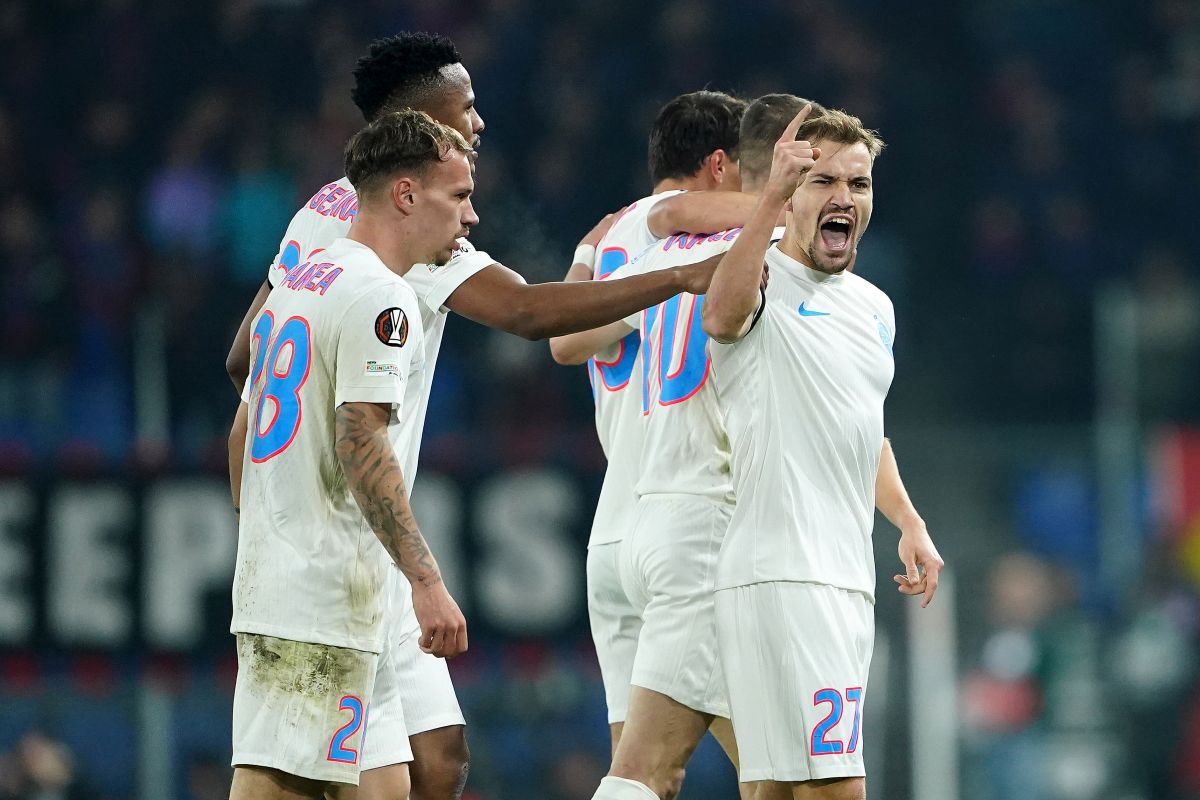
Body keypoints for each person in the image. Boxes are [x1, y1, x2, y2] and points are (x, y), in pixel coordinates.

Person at [225, 33, 736, 800]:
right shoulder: (408, 249)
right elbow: (531, 311)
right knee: (328, 775)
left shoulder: (323, 209)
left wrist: (260, 482)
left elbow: (246, 358)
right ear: (418, 123)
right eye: (465, 106)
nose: (480, 122)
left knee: (434, 759)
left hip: (351, 551)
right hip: (341, 553)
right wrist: (676, 277)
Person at [699, 107, 945, 799]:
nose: (844, 198)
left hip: (828, 575)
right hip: (790, 575)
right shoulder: (759, 276)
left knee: (774, 791)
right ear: (790, 195)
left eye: (859, 184)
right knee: (838, 788)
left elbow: (861, 428)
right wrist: (771, 198)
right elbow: (719, 317)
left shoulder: (873, 307)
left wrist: (908, 521)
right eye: (822, 181)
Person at [230, 109, 473, 800]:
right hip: (320, 602)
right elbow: (361, 439)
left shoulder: (300, 284)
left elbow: (240, 433)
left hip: (317, 593)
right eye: (457, 196)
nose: (471, 216)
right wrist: (426, 583)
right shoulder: (380, 296)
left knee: (387, 787)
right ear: (405, 195)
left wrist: (267, 542)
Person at [548, 89, 754, 762]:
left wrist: (584, 250)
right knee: (777, 757)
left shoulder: (610, 236)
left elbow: (565, 343)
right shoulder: (700, 230)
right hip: (684, 514)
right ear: (720, 165)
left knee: (636, 764)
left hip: (612, 535)